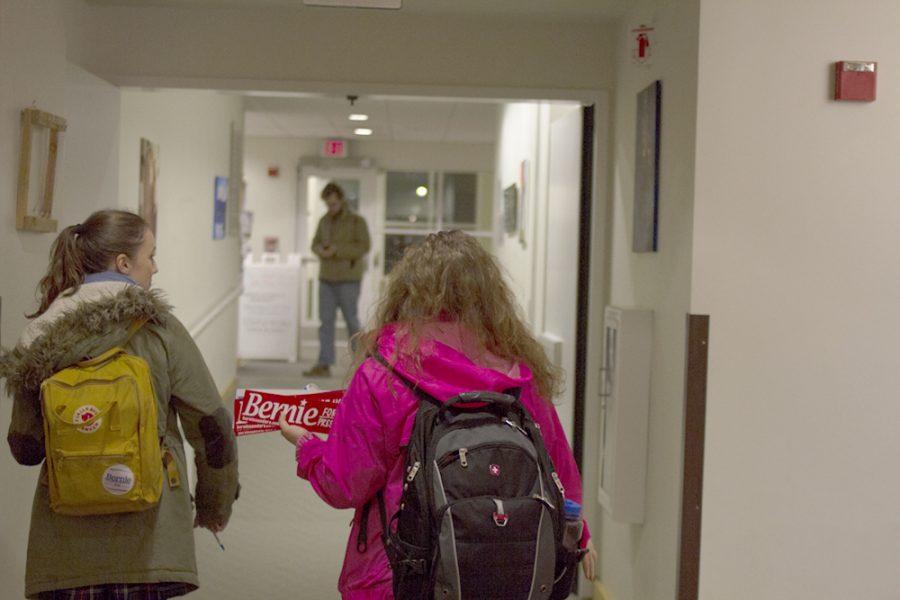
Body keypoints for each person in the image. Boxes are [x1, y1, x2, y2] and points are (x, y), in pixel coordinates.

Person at [280, 230, 597, 599]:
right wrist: (580, 533)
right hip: (508, 570)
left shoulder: (384, 372)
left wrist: (307, 446)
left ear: (407, 292)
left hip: (401, 572)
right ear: (491, 295)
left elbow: (345, 483)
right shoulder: (517, 374)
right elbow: (559, 473)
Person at [0, 209, 240, 599]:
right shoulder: (160, 329)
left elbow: (25, 447)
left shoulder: (40, 336)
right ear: (123, 263)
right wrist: (215, 506)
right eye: (151, 256)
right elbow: (212, 427)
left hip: (66, 541)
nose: (156, 268)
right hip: (151, 535)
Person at [303, 182, 371, 378]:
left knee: (351, 321)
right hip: (326, 279)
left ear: (341, 200)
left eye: (333, 204)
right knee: (326, 322)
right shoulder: (324, 221)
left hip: (349, 279)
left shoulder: (357, 221)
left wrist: (337, 251)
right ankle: (324, 363)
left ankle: (361, 364)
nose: (331, 208)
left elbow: (363, 247)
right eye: (328, 204)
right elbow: (314, 243)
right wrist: (320, 251)